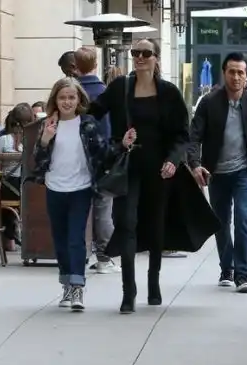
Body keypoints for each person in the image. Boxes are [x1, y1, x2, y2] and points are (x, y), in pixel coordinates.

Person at [89, 38, 218, 313]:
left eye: (146, 53)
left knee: (156, 226)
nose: (139, 57)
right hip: (127, 167)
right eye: (135, 52)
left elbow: (182, 135)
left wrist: (173, 160)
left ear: (156, 58)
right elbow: (92, 113)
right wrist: (109, 142)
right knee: (126, 223)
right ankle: (128, 291)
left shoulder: (169, 92)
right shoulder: (120, 87)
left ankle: (153, 282)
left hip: (160, 171)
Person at [189, 52, 247, 293]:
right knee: (220, 222)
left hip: (244, 173)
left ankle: (242, 275)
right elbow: (194, 137)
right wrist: (195, 164)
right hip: (216, 173)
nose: (236, 77)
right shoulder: (209, 103)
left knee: (242, 217)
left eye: (241, 72)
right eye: (232, 72)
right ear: (224, 73)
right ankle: (226, 269)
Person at [34, 77, 114, 311]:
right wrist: (45, 140)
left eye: (71, 97)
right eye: (62, 97)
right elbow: (37, 160)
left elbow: (103, 153)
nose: (67, 102)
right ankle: (67, 284)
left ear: (79, 100)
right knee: (60, 240)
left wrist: (123, 146)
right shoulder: (48, 124)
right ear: (55, 100)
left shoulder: (88, 124)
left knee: (75, 239)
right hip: (54, 188)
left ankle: (78, 286)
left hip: (81, 188)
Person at [73, 46, 118, 274]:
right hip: (100, 158)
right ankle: (104, 257)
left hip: (74, 158)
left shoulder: (70, 92)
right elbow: (109, 129)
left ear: (75, 66)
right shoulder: (104, 92)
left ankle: (77, 254)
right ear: (96, 65)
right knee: (103, 209)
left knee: (77, 209)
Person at [0, 103, 34, 250]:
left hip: (9, 189)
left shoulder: (3, 140)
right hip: (29, 189)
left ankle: (6, 238)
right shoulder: (33, 142)